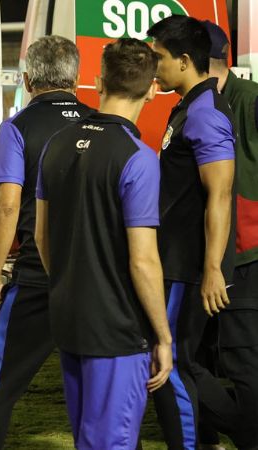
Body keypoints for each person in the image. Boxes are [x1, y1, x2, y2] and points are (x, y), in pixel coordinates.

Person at [34, 37, 173, 449]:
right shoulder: (139, 158)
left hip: (68, 318)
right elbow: (143, 261)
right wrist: (164, 336)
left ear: (97, 82)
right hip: (117, 329)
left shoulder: (57, 143)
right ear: (152, 89)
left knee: (88, 440)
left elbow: (42, 236)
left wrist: (69, 285)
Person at [0, 35, 93, 450]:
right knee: (99, 388)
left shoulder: (17, 127)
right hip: (94, 276)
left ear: (26, 80)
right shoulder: (102, 124)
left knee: (1, 383)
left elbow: (6, 206)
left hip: (38, 274)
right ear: (76, 78)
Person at [146, 16, 237, 450]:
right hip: (175, 260)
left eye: (159, 58)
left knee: (171, 362)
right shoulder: (188, 107)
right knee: (180, 361)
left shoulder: (205, 113)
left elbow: (220, 195)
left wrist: (212, 268)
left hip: (186, 266)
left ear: (184, 61)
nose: (153, 67)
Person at [192, 20, 258, 450]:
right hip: (210, 250)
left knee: (242, 358)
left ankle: (247, 436)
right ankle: (208, 436)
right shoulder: (200, 102)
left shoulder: (248, 99)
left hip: (245, 251)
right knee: (197, 354)